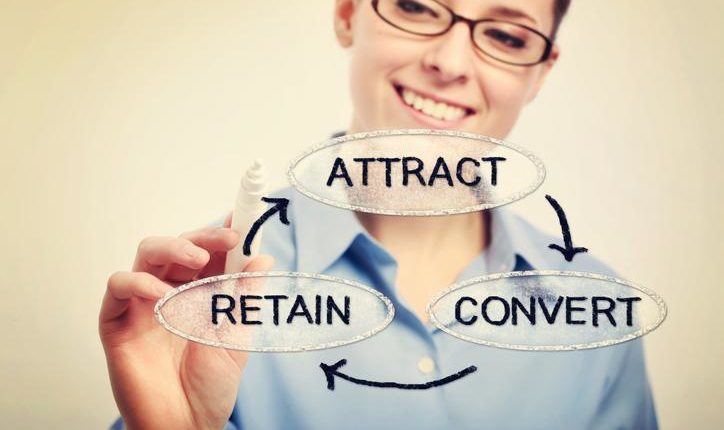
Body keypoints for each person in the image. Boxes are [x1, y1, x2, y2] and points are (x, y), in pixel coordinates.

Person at [99, 0, 658, 429]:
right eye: (415, 5)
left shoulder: (601, 317)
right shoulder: (208, 293)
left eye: (507, 36)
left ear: (540, 71)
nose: (449, 62)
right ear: (348, 12)